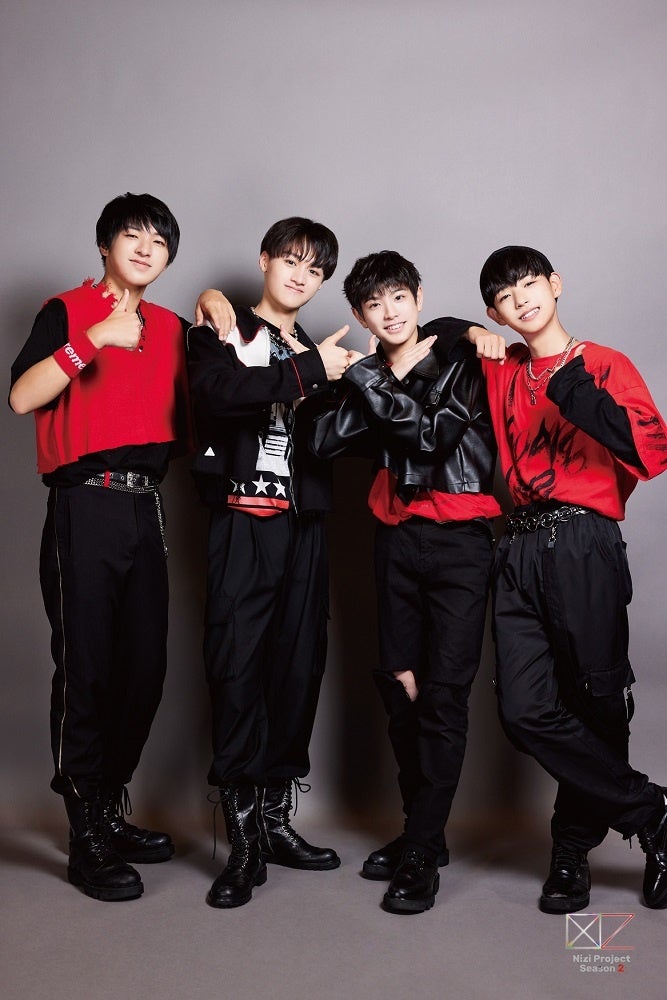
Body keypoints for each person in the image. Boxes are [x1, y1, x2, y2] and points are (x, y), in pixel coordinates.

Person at [9, 192, 196, 902]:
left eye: (159, 240)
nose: (146, 249)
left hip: (145, 507)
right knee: (86, 666)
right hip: (83, 503)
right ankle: (84, 829)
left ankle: (109, 807)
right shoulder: (66, 310)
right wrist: (92, 339)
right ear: (104, 245)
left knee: (143, 669)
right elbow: (22, 397)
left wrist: (213, 303)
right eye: (132, 236)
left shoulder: (173, 327)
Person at [471, 244, 667, 913]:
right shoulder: (501, 367)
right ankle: (652, 812)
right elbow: (429, 333)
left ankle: (571, 850)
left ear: (554, 284)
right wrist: (467, 332)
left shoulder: (604, 364)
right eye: (503, 296)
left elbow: (652, 450)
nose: (520, 300)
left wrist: (575, 389)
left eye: (529, 284)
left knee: (597, 701)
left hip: (583, 539)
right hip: (517, 544)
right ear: (494, 312)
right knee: (523, 709)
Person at [312, 250, 501, 914]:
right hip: (394, 539)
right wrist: (369, 376)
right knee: (400, 686)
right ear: (359, 314)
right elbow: (322, 442)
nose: (388, 312)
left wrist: (369, 376)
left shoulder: (461, 358)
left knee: (443, 697)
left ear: (418, 297)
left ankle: (420, 852)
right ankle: (424, 831)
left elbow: (428, 440)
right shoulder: (371, 374)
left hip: (459, 543)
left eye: (398, 297)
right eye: (373, 304)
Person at [187, 217, 353, 909]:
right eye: (290, 260)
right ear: (264, 260)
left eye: (315, 270)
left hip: (302, 526)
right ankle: (242, 840)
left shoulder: (317, 349)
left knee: (297, 668)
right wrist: (309, 373)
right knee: (237, 668)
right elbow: (215, 395)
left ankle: (277, 823)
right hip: (241, 522)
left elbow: (336, 440)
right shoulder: (221, 329)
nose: (300, 276)